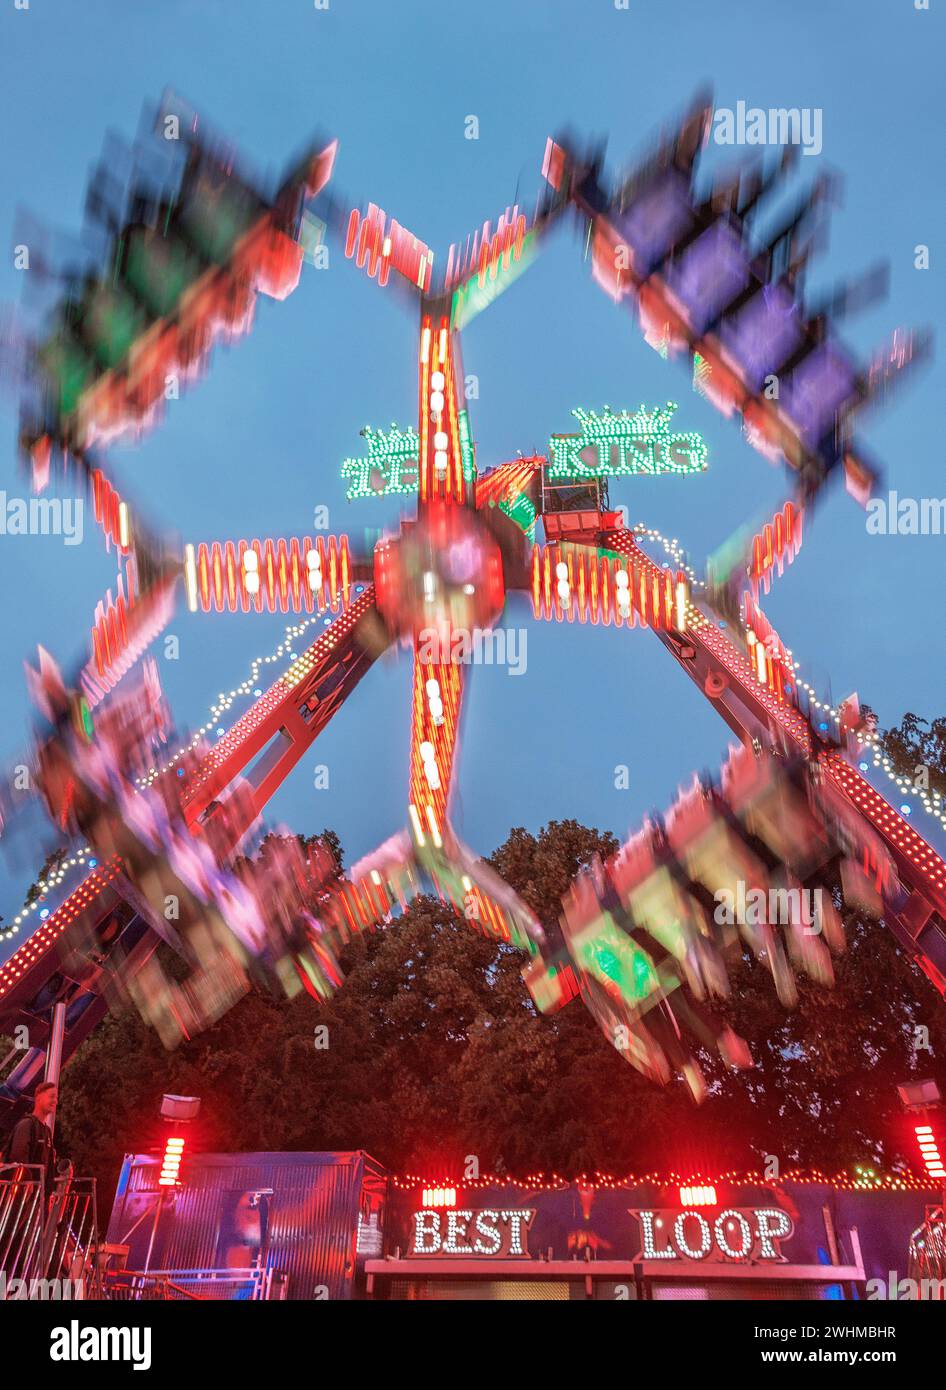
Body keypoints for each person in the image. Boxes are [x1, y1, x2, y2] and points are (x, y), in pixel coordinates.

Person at [3, 1082, 59, 1192]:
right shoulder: (26, 1125)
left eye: (56, 1097)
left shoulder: (47, 1131)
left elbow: (48, 1167)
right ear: (38, 1098)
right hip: (23, 1196)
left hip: (39, 1197)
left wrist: (48, 1192)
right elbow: (19, 1158)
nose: (55, 1101)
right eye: (52, 1096)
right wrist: (27, 1183)